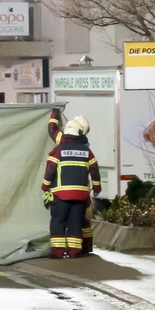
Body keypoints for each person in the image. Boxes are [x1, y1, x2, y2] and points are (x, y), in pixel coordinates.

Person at [43, 109, 101, 258]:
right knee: (76, 222)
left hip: (60, 195)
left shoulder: (59, 147)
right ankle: (75, 251)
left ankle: (58, 252)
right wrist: (96, 188)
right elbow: (94, 170)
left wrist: (55, 112)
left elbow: (50, 170)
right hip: (81, 195)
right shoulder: (87, 151)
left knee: (58, 221)